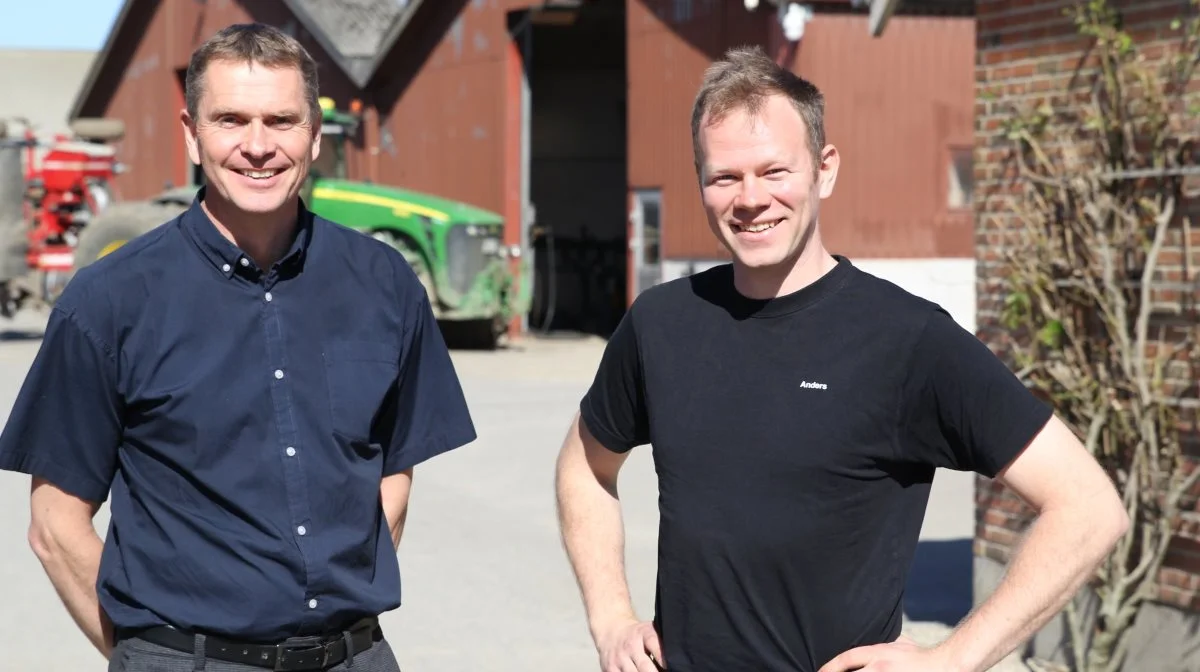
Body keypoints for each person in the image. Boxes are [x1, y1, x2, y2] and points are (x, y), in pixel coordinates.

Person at [554, 45, 1129, 672]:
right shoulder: (660, 323)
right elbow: (584, 466)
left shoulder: (907, 340)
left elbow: (1087, 507)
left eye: (775, 172)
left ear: (824, 169)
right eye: (725, 177)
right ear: (701, 183)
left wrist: (953, 658)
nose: (750, 199)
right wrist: (610, 619)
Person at [0, 22, 477, 672]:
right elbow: (56, 525)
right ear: (193, 135)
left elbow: (394, 467)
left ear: (314, 133)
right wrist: (145, 658)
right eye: (231, 120)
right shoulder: (109, 300)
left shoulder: (383, 284)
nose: (258, 146)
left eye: (281, 120)